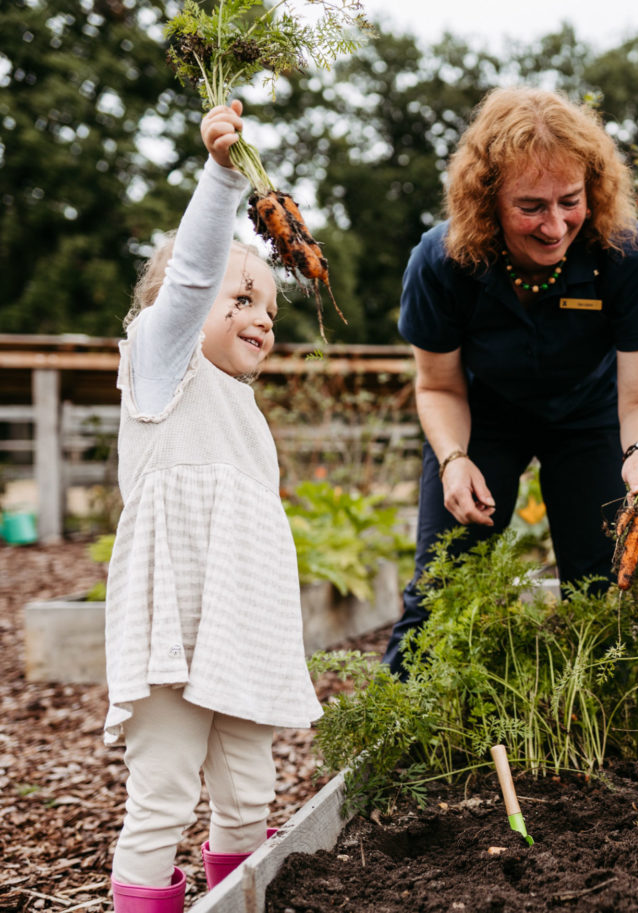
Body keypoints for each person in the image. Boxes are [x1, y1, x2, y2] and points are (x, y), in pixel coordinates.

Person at [104, 100, 323, 913]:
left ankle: (237, 901)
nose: (261, 317)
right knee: (162, 789)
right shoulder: (162, 373)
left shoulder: (245, 413)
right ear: (178, 310)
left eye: (269, 307)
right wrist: (223, 177)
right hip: (170, 631)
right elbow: (194, 273)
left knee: (250, 790)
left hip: (240, 636)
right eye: (241, 300)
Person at [381, 86, 638, 677]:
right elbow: (438, 386)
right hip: (483, 420)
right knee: (445, 586)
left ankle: (608, 733)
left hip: (591, 421)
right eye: (530, 207)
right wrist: (453, 458)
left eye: (570, 201)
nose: (554, 225)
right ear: (486, 201)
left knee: (606, 591)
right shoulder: (442, 262)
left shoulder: (629, 255)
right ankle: (403, 733)